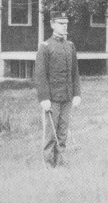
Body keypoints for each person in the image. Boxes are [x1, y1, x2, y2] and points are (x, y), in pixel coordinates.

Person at [35, 12, 82, 168]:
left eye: (66, 23)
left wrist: (77, 94)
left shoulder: (70, 46)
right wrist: (44, 98)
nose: (64, 26)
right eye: (61, 23)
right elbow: (40, 75)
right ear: (52, 24)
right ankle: (48, 164)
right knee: (50, 132)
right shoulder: (45, 47)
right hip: (52, 98)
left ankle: (60, 162)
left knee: (62, 131)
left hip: (67, 96)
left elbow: (75, 73)